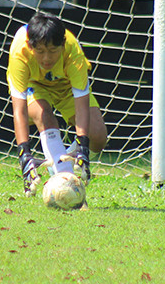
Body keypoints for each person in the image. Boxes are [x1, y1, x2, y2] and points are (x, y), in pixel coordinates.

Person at [7, 12, 108, 195]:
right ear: (30, 46)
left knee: (98, 136)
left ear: (62, 45)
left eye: (53, 51)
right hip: (35, 84)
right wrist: (24, 154)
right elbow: (19, 110)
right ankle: (66, 184)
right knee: (44, 115)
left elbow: (81, 104)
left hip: (65, 85)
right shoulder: (18, 53)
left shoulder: (73, 52)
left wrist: (83, 146)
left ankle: (58, 165)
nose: (46, 58)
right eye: (40, 51)